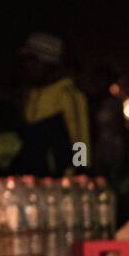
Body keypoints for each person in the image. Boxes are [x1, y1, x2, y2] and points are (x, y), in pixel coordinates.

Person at [16, 32, 90, 177]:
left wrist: (78, 173)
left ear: (49, 63)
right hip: (32, 179)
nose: (27, 66)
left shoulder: (67, 94)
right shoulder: (32, 93)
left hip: (57, 181)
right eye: (26, 61)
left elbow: (80, 141)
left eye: (33, 61)